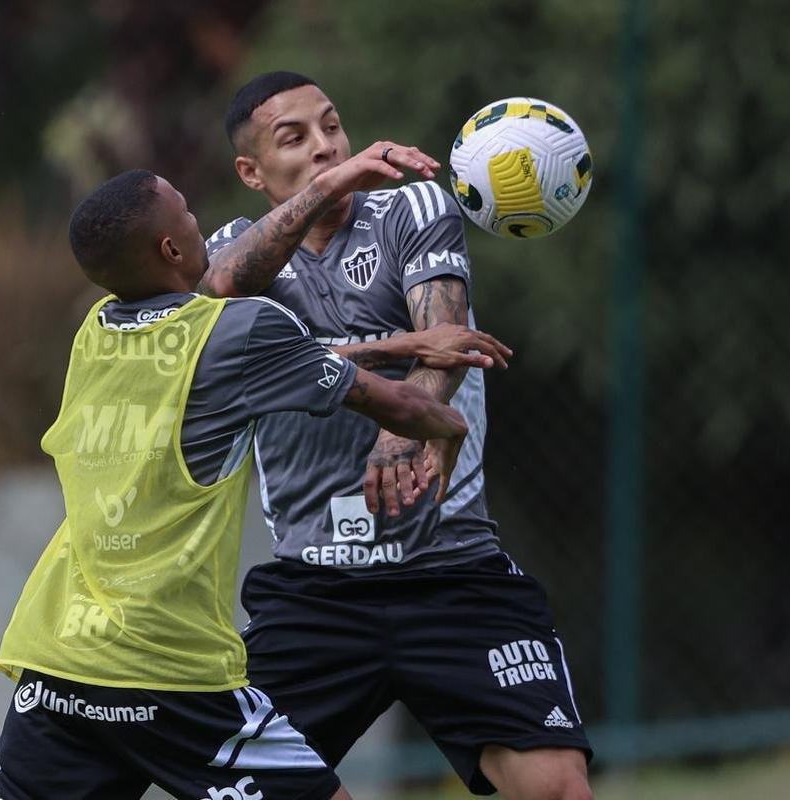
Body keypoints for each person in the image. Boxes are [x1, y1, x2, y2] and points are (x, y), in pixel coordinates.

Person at [0, 154, 507, 799]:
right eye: (190, 213)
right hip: (168, 667)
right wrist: (447, 426)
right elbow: (398, 406)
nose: (205, 225)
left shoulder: (95, 333)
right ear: (173, 246)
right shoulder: (242, 327)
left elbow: (250, 353)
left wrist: (394, 345)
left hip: (58, 654)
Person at [201, 71, 593, 799]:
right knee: (247, 789)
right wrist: (331, 185)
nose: (326, 147)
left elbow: (439, 339)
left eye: (333, 126)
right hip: (314, 590)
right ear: (250, 172)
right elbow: (219, 300)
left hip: (450, 571)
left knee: (556, 786)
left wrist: (405, 427)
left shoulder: (414, 206)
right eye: (296, 138)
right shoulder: (232, 254)